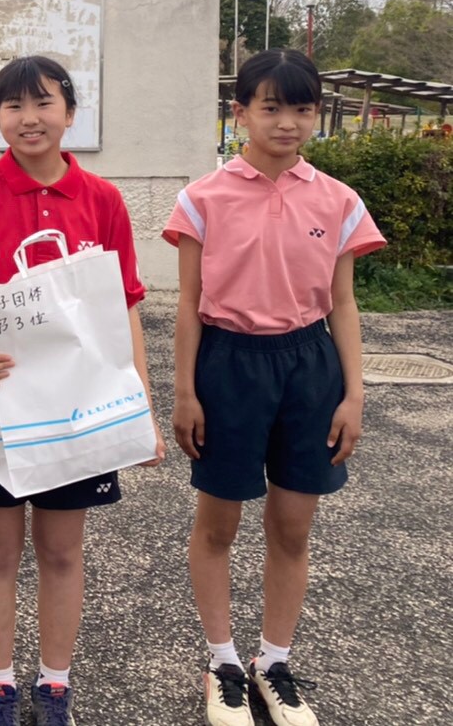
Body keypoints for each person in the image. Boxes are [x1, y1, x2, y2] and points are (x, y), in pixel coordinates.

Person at [0, 55, 164, 726]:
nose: (29, 118)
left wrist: (138, 403)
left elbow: (122, 308)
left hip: (79, 393)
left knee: (63, 548)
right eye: (13, 106)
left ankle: (55, 683)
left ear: (70, 112)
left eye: (44, 103)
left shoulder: (103, 200)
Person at [165, 49, 384, 726]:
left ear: (316, 115)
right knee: (219, 520)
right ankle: (224, 662)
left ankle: (274, 662)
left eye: (302, 108)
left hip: (308, 365)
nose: (286, 122)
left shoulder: (338, 199)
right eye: (271, 107)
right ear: (241, 114)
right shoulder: (203, 197)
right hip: (228, 363)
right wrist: (184, 392)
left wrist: (353, 393)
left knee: (293, 525)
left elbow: (343, 304)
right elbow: (188, 301)